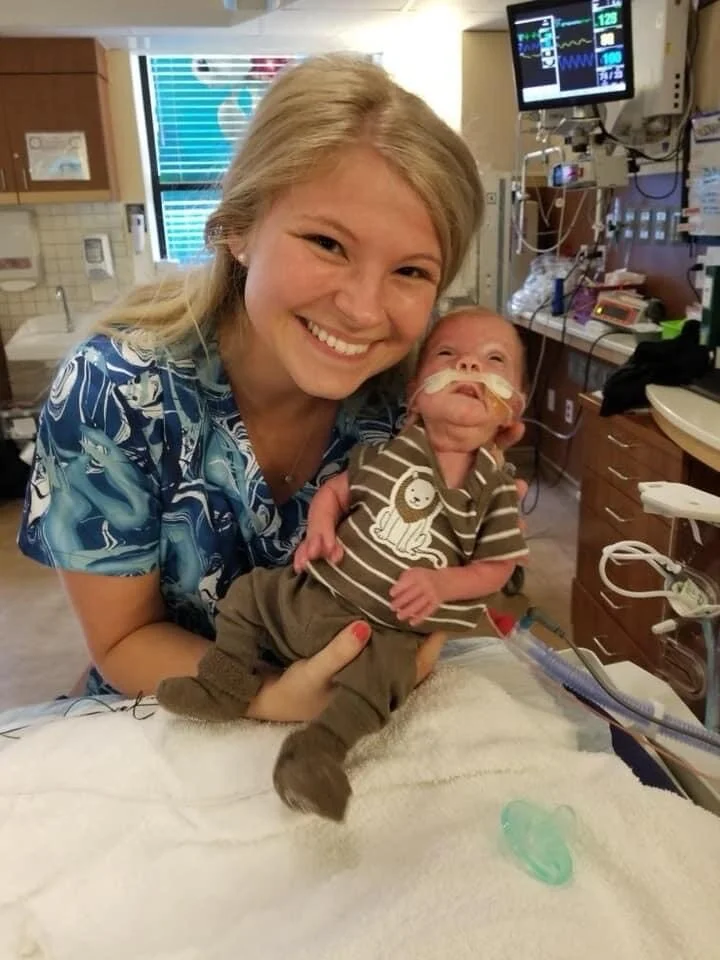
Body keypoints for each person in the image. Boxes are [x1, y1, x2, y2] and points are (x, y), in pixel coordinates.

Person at [16, 54, 523, 722]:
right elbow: (122, 640)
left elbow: (468, 584)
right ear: (238, 228)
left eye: (409, 270)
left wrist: (481, 543)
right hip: (165, 717)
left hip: (359, 710)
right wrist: (271, 697)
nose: (365, 310)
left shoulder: (409, 408)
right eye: (328, 244)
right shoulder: (113, 395)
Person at [157, 309, 528, 821]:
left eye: (494, 360)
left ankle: (318, 752)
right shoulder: (390, 452)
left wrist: (443, 583)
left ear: (512, 412)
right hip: (313, 598)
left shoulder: (493, 490)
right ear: (416, 393)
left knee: (385, 681)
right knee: (248, 595)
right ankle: (224, 684)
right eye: (448, 355)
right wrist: (321, 528)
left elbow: (497, 567)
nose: (469, 364)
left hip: (384, 633)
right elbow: (337, 491)